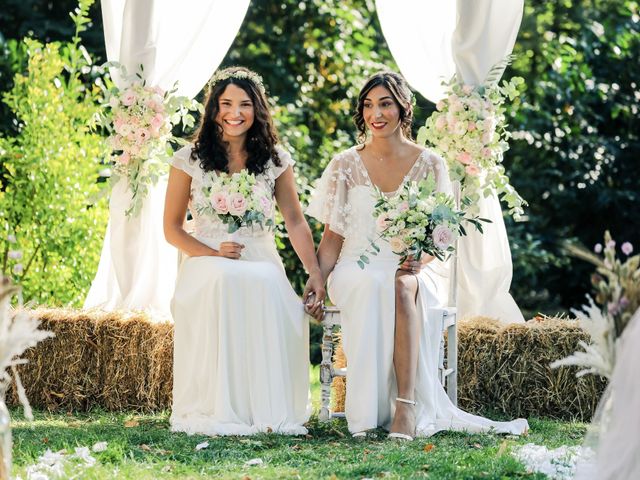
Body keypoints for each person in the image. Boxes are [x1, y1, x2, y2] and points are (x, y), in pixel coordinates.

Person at [306, 71, 528, 439]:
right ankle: (368, 412)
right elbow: (332, 239)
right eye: (368, 105)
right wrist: (316, 278)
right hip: (356, 264)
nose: (376, 113)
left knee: (400, 284)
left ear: (404, 108)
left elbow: (441, 239)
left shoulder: (431, 164)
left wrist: (420, 259)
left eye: (385, 103)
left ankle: (405, 408)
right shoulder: (345, 164)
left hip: (412, 265)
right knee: (368, 283)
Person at [164, 66, 325, 436]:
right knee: (223, 279)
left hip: (259, 253)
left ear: (257, 110)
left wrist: (314, 271)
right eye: (225, 104)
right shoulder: (187, 158)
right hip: (206, 256)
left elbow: (296, 221)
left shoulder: (275, 159)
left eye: (244, 104)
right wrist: (212, 252)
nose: (234, 113)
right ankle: (216, 405)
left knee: (266, 280)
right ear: (213, 109)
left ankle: (260, 407)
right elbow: (171, 229)